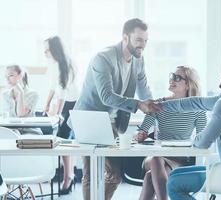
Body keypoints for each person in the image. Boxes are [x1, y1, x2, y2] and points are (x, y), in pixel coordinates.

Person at [72, 18, 161, 200]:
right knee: (92, 173)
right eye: (138, 40)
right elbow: (106, 96)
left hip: (110, 121)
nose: (142, 45)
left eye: (145, 41)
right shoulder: (103, 58)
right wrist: (138, 105)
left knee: (114, 175)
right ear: (125, 37)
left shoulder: (138, 60)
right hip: (89, 118)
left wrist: (154, 106)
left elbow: (144, 91)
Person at [156, 59, 221, 200]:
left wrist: (194, 138)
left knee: (174, 184)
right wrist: (160, 105)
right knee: (174, 174)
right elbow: (197, 102)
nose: (220, 75)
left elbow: (202, 143)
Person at [136, 66, 207, 200]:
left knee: (150, 177)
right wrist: (140, 135)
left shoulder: (198, 108)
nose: (172, 80)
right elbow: (142, 130)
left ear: (188, 84)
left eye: (177, 78)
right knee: (157, 159)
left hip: (180, 160)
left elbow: (202, 140)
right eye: (172, 76)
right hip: (153, 158)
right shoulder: (158, 104)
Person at [43, 36, 79, 195]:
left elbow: (63, 91)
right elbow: (53, 86)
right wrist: (46, 103)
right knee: (66, 141)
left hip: (72, 104)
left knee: (64, 140)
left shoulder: (66, 64)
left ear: (55, 49)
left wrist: (57, 113)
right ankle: (69, 175)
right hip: (63, 103)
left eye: (47, 49)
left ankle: (68, 177)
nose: (45, 52)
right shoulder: (53, 64)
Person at [2, 65, 41, 135]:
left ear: (21, 75)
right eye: (6, 77)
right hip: (11, 131)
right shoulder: (5, 94)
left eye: (11, 75)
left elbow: (21, 114)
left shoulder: (33, 94)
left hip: (29, 131)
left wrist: (21, 93)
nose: (7, 79)